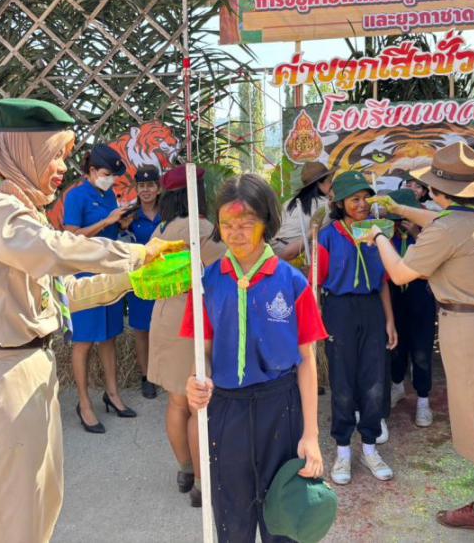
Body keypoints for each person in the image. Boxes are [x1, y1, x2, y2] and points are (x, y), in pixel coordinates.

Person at [0, 98, 181, 543]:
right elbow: (55, 251)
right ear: (25, 153)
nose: (62, 167)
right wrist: (137, 254)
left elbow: (62, 294)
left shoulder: (21, 214)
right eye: (54, 154)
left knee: (41, 507)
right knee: (10, 524)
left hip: (30, 369)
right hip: (3, 375)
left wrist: (136, 277)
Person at [364, 142, 474, 543]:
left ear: (438, 190)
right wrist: (402, 209)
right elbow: (441, 220)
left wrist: (379, 237)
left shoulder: (447, 229)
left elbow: (401, 273)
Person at [184, 174, 327, 542]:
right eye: (227, 224)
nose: (236, 233)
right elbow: (203, 352)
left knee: (284, 515)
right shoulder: (207, 284)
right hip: (226, 413)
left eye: (246, 223)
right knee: (232, 516)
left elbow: (306, 359)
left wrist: (311, 435)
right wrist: (197, 380)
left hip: (281, 409)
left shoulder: (292, 283)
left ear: (267, 221)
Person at [147, 166, 226, 508]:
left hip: (164, 316)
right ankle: (201, 483)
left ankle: (185, 469)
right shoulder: (200, 228)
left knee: (177, 402)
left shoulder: (163, 227)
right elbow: (228, 263)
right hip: (190, 319)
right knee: (198, 406)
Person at [317, 171, 398, 486]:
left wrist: (389, 320)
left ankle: (370, 449)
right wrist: (318, 322)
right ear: (339, 203)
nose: (362, 204)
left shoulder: (377, 233)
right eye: (355, 199)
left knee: (374, 380)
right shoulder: (328, 236)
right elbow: (317, 283)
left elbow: (383, 281)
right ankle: (343, 451)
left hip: (372, 308)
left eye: (365, 198)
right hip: (339, 310)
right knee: (342, 382)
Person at [63, 144, 137, 432]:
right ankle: (84, 403)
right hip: (85, 278)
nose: (110, 180)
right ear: (92, 171)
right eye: (106, 174)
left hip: (110, 274)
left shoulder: (108, 196)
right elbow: (70, 237)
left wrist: (121, 222)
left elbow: (108, 232)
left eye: (113, 177)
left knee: (110, 337)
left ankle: (113, 394)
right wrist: (107, 220)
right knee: (83, 342)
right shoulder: (76, 196)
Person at [382, 188, 437, 429]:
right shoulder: (386, 235)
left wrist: (417, 233)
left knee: (422, 348)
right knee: (395, 344)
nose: (400, 224)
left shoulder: (429, 234)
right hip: (394, 294)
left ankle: (423, 400)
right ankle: (397, 385)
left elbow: (434, 264)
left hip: (420, 294)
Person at [126, 165, 163, 399]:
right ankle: (146, 377)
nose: (146, 190)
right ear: (136, 189)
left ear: (158, 188)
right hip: (140, 281)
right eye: (141, 186)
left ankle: (164, 374)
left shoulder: (169, 214)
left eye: (150, 185)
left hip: (165, 280)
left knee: (164, 327)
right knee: (141, 331)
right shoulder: (130, 217)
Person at [271, 160, 332, 266]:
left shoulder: (290, 202)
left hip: (272, 250)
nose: (332, 185)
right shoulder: (324, 206)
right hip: (292, 255)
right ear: (319, 183)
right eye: (329, 181)